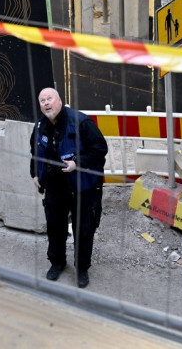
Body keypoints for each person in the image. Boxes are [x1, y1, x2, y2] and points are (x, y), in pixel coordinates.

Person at [29, 88, 108, 288]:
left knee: (83, 230)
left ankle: (82, 269)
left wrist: (77, 163)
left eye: (50, 99)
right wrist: (35, 173)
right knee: (55, 228)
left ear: (60, 101)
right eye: (42, 101)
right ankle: (57, 263)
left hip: (83, 187)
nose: (46, 104)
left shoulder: (81, 122)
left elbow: (100, 149)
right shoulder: (39, 126)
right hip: (55, 186)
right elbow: (34, 151)